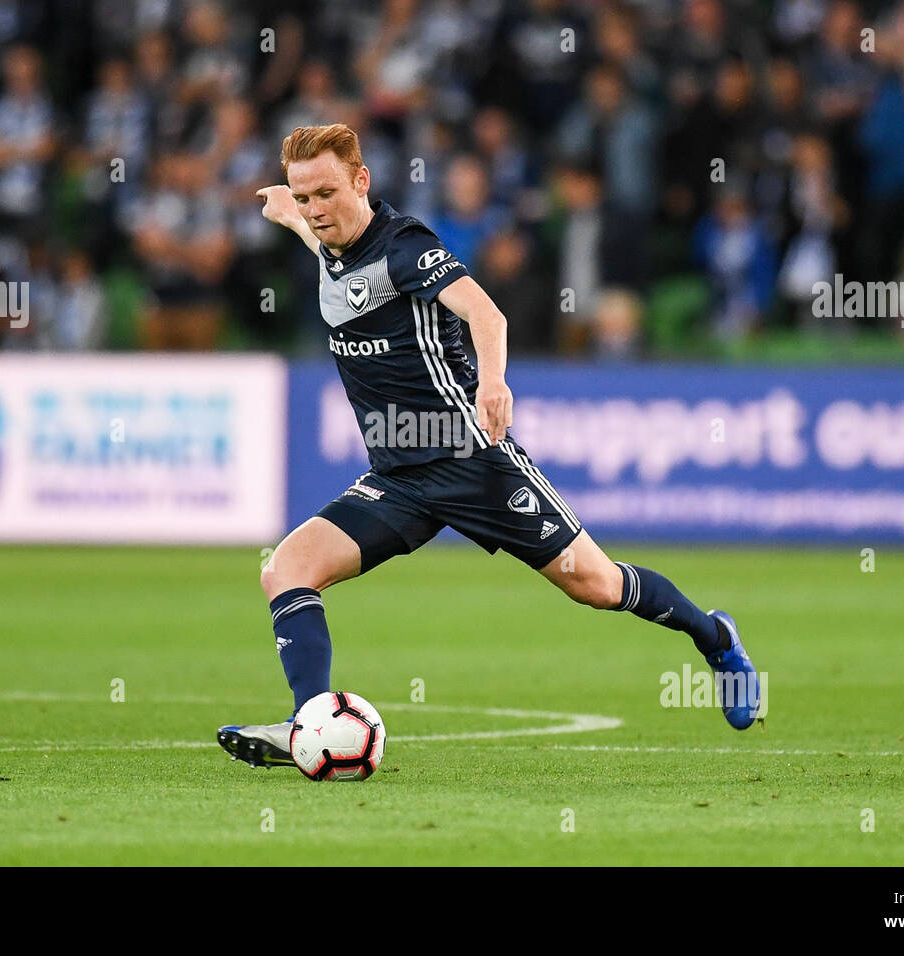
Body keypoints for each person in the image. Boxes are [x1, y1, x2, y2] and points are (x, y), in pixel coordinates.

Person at [217, 124, 761, 768]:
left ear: (362, 182)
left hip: (472, 460)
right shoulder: (329, 239)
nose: (315, 209)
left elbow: (486, 314)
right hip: (398, 475)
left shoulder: (405, 247)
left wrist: (495, 381)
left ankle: (715, 636)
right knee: (286, 570)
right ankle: (309, 721)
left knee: (595, 584)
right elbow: (329, 251)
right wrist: (290, 216)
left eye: (326, 194)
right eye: (304, 196)